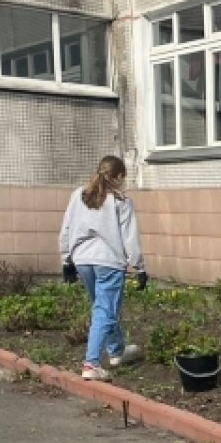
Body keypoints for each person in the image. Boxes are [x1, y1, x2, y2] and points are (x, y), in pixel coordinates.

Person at [58, 155, 146, 381]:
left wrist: (66, 259)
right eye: (122, 178)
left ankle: (116, 351)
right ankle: (91, 364)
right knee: (104, 310)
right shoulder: (120, 201)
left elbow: (67, 227)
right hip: (109, 261)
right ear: (117, 177)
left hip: (83, 260)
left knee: (102, 307)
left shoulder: (79, 195)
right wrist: (139, 267)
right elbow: (130, 238)